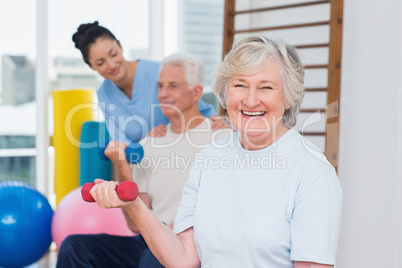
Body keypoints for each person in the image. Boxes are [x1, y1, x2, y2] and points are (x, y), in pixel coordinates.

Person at [87, 34, 343, 268]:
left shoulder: (312, 172)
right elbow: (184, 257)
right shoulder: (210, 157)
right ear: (225, 92)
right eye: (240, 85)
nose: (250, 100)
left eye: (266, 87)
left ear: (288, 98)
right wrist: (134, 206)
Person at [56, 53, 231, 268]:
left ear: (196, 92)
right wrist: (121, 164)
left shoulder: (221, 137)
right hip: (149, 238)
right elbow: (134, 224)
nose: (163, 94)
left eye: (173, 86)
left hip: (189, 243)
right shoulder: (149, 142)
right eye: (160, 86)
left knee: (153, 260)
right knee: (74, 247)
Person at [71, 21, 226, 144]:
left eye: (113, 54)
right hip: (146, 162)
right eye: (100, 63)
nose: (111, 65)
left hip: (184, 148)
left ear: (120, 45)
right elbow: (121, 142)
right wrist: (146, 142)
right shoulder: (104, 94)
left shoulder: (160, 73)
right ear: (91, 66)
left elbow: (202, 110)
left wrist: (217, 123)